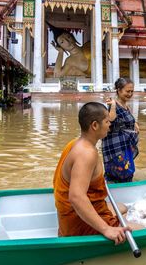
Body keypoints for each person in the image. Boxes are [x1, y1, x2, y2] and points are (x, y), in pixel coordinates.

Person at [53, 102, 139, 245]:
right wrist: (106, 229)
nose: (109, 124)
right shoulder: (87, 154)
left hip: (69, 219)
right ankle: (106, 227)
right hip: (77, 226)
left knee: (123, 207)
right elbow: (76, 197)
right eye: (106, 121)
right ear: (94, 125)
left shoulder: (75, 143)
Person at [102, 78, 139, 183]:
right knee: (118, 172)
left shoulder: (125, 105)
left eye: (132, 91)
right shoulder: (112, 104)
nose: (130, 94)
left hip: (124, 146)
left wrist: (135, 123)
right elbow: (111, 120)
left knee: (127, 171)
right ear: (119, 90)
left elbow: (128, 120)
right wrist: (113, 105)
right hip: (115, 147)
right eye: (127, 91)